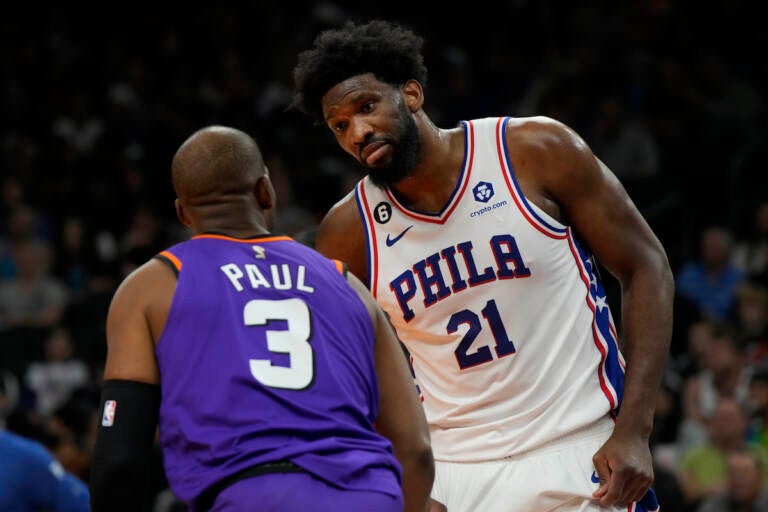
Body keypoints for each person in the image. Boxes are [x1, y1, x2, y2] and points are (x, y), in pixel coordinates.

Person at [291, 19, 674, 511]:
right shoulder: (347, 231)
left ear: (410, 94)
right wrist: (400, 479)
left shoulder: (533, 151)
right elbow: (342, 372)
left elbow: (646, 267)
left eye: (367, 107)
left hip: (583, 449)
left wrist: (636, 430)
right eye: (340, 126)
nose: (359, 131)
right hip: (454, 476)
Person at [88, 126, 434, 511]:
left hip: (250, 494)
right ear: (266, 191)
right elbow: (416, 448)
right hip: (367, 494)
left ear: (183, 213)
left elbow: (119, 461)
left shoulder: (152, 286)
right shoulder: (347, 284)